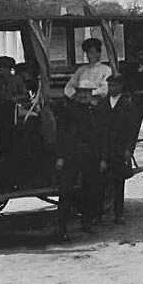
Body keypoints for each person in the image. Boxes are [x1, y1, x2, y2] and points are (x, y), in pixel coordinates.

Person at [55, 80, 109, 241]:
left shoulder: (93, 111)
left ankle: (87, 223)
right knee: (66, 191)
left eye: (88, 92)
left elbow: (100, 136)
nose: (85, 95)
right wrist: (60, 157)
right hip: (71, 155)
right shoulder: (67, 111)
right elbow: (60, 135)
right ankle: (62, 228)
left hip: (90, 156)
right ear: (76, 93)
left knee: (89, 190)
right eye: (82, 92)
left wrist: (102, 158)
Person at [98, 74, 136, 225]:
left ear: (120, 86)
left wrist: (129, 149)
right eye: (110, 85)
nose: (111, 88)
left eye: (114, 85)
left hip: (119, 149)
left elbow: (131, 130)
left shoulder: (127, 105)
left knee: (118, 182)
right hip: (104, 149)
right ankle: (99, 215)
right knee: (101, 183)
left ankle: (118, 214)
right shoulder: (102, 104)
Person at [0, 56, 29, 156]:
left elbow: (25, 95)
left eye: (2, 67)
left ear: (9, 68)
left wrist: (14, 98)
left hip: (12, 108)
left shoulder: (16, 79)